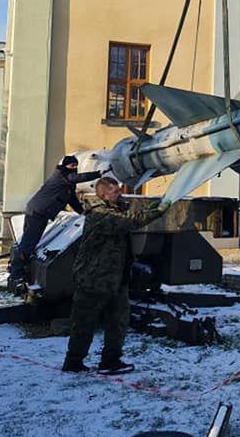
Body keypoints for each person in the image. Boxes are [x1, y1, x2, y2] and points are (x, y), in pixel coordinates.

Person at [61, 176, 169, 374]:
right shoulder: (100, 213)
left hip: (116, 279)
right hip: (93, 278)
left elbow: (129, 216)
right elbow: (127, 221)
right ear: (103, 195)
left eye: (118, 190)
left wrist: (151, 209)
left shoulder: (114, 210)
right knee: (84, 323)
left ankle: (110, 360)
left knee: (118, 321)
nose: (119, 193)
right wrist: (156, 212)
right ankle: (74, 362)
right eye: (115, 191)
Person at [9, 155, 103, 283]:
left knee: (30, 242)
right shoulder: (61, 176)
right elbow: (76, 178)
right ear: (64, 166)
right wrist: (98, 173)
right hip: (38, 213)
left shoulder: (68, 183)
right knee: (29, 242)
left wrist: (82, 212)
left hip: (40, 212)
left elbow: (72, 200)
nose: (74, 168)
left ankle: (21, 268)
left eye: (76, 165)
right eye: (71, 165)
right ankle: (16, 273)